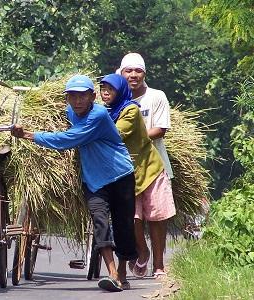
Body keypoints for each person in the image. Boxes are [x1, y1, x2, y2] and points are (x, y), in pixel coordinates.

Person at [11, 74, 138, 291]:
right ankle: (113, 274)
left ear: (93, 97)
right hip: (94, 180)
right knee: (100, 221)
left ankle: (123, 270)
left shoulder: (97, 115)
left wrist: (29, 135)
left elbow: (68, 139)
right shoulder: (70, 111)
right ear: (67, 99)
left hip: (119, 175)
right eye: (72, 97)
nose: (78, 101)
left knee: (123, 224)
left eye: (82, 96)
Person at [100, 73, 175, 280]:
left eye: (111, 89)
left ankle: (159, 265)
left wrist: (84, 133)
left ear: (121, 90)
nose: (106, 93)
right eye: (103, 89)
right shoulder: (103, 111)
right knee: (131, 218)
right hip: (124, 171)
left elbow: (115, 134)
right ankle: (142, 251)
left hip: (148, 168)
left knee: (156, 217)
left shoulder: (131, 110)